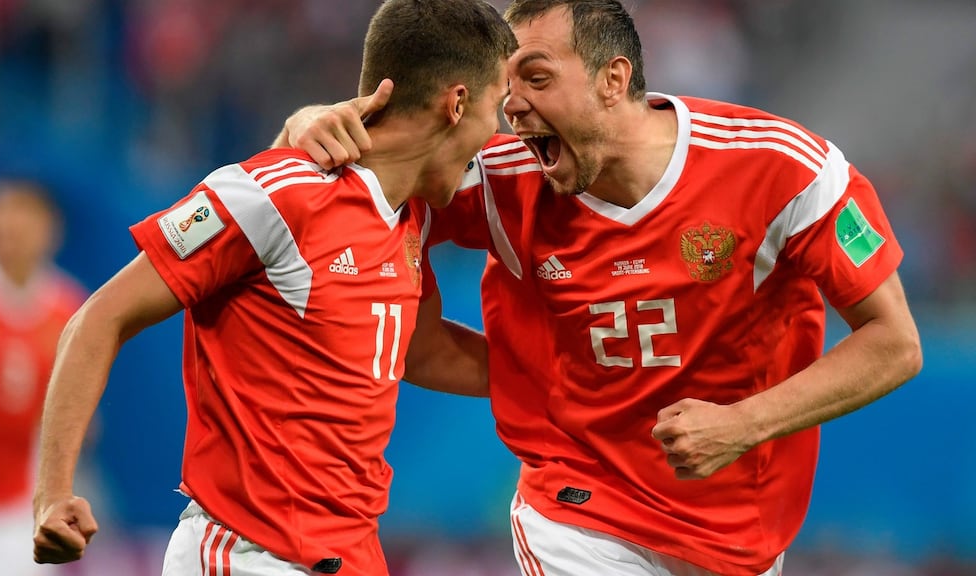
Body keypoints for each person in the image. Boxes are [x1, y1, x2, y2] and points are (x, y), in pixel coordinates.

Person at [279, 1, 924, 575]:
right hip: (578, 507)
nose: (511, 106)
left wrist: (743, 424)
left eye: (535, 77)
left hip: (738, 531)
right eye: (506, 87)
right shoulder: (501, 178)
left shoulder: (784, 171)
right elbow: (362, 175)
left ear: (613, 80)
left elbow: (894, 343)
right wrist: (307, 122)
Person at [30, 1, 515, 575]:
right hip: (246, 555)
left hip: (354, 554)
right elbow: (101, 317)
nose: (498, 133)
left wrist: (561, 378)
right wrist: (52, 492)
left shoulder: (407, 216)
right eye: (496, 109)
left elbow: (421, 350)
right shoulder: (277, 194)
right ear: (456, 104)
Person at [0, 178, 87, 576]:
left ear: (51, 229)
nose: (11, 225)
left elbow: (82, 419)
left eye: (24, 214)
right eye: (2, 212)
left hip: (8, 511)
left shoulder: (68, 310)